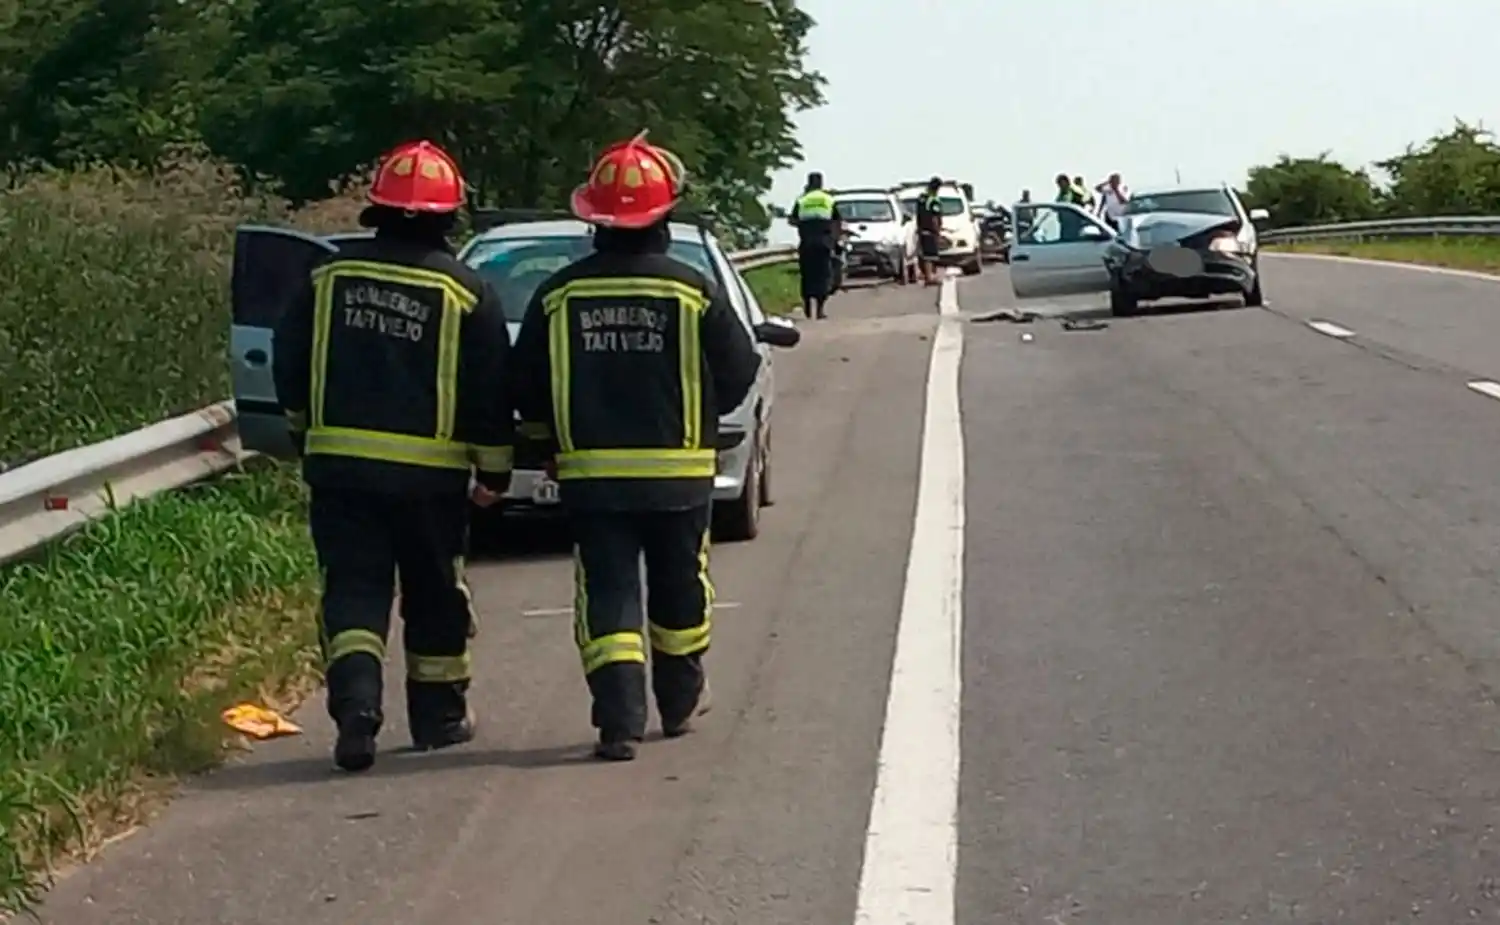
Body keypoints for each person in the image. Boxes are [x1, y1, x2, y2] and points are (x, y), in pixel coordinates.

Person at [507, 132, 761, 762]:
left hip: (593, 480)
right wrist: (699, 420)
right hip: (680, 478)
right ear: (664, 215)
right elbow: (738, 370)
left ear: (592, 217)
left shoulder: (558, 295)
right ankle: (678, 702)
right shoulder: (691, 289)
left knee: (609, 590)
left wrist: (544, 443)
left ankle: (618, 721)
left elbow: (526, 387)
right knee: (681, 585)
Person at [272, 139, 514, 773]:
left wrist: (304, 435)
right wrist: (494, 471)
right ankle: (439, 719)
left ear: (376, 209)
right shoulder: (467, 292)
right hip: (431, 481)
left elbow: (288, 364)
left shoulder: (324, 279)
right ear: (447, 214)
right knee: (435, 595)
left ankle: (356, 707)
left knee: (353, 590)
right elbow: (488, 392)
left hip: (340, 471)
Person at [788, 172, 842, 319]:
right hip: (824, 243)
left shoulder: (802, 200)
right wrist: (835, 239)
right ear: (821, 183)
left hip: (806, 243)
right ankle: (819, 310)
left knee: (807, 275)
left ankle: (807, 306)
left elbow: (792, 220)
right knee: (823, 275)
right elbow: (837, 221)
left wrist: (805, 224)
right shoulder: (828, 200)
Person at [914, 176, 945, 286]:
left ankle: (928, 275)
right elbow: (934, 217)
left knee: (924, 253)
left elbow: (918, 214)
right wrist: (937, 231)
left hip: (922, 228)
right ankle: (929, 277)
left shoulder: (922, 197)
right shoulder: (934, 200)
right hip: (930, 229)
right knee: (930, 255)